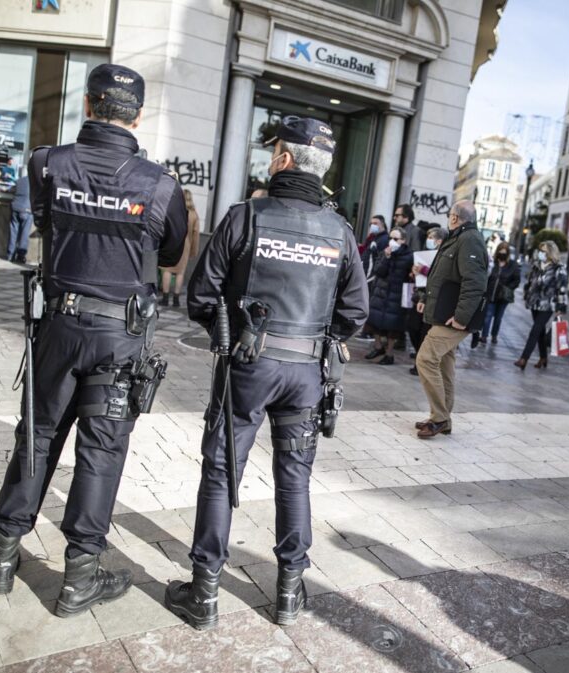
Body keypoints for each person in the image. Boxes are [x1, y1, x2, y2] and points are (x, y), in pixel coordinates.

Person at [0, 64, 188, 617]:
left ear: (89, 103)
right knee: (102, 451)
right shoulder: (161, 185)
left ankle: (1, 558)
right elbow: (169, 256)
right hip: (121, 336)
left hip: (60, 323)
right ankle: (78, 578)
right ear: (137, 115)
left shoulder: (48, 162)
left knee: (40, 433)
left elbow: (45, 223)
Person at [167, 116, 368, 629]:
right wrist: (320, 337)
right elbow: (355, 313)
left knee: (220, 472)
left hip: (247, 368)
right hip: (305, 373)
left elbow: (201, 295)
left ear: (283, 161)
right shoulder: (340, 231)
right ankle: (288, 594)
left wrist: (229, 326)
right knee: (294, 479)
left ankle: (205, 593)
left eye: (274, 149)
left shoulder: (244, 217)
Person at [414, 200, 487, 438]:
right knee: (445, 365)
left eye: (449, 214)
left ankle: (439, 418)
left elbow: (475, 283)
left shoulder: (470, 239)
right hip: (444, 313)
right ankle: (443, 419)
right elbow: (440, 274)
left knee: (425, 359)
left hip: (455, 318)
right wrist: (425, 297)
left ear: (455, 217)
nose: (448, 217)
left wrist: (462, 317)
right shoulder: (456, 237)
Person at [515, 241, 568, 370]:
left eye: (543, 251)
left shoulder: (558, 268)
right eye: (540, 251)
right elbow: (530, 282)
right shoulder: (537, 265)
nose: (541, 253)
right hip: (535, 303)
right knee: (540, 331)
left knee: (535, 330)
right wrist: (527, 295)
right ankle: (543, 357)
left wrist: (561, 308)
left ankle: (524, 358)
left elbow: (561, 288)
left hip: (548, 304)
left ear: (550, 253)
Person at [365, 227, 414, 365]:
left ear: (403, 241)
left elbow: (411, 276)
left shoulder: (409, 256)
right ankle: (378, 346)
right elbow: (378, 271)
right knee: (374, 322)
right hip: (381, 292)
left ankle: (389, 354)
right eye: (390, 238)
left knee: (393, 327)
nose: (392, 241)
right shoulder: (385, 253)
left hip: (396, 295)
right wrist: (386, 258)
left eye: (395, 239)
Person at [407, 227, 445, 375]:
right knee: (412, 327)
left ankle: (421, 362)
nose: (428, 240)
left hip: (432, 299)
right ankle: (420, 355)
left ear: (439, 241)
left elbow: (439, 278)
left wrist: (423, 271)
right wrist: (414, 273)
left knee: (424, 332)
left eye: (432, 237)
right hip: (419, 296)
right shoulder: (425, 254)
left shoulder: (443, 257)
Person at [159, 189, 201, 308]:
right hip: (186, 246)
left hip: (172, 242)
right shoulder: (194, 214)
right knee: (180, 272)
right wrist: (194, 250)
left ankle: (165, 298)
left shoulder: (176, 210)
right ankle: (176, 299)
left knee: (166, 270)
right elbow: (196, 233)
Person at [479, 241, 521, 346]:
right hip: (491, 295)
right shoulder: (493, 263)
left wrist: (507, 288)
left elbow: (516, 280)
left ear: (507, 253)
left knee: (498, 317)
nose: (502, 254)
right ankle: (484, 336)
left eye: (504, 252)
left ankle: (494, 335)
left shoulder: (512, 265)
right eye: (500, 251)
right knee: (488, 316)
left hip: (503, 297)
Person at [7, 169, 33, 263]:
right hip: (27, 210)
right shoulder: (35, 182)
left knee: (13, 232)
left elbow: (10, 190)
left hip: (15, 207)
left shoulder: (19, 180)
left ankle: (10, 255)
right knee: (24, 233)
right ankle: (21, 256)